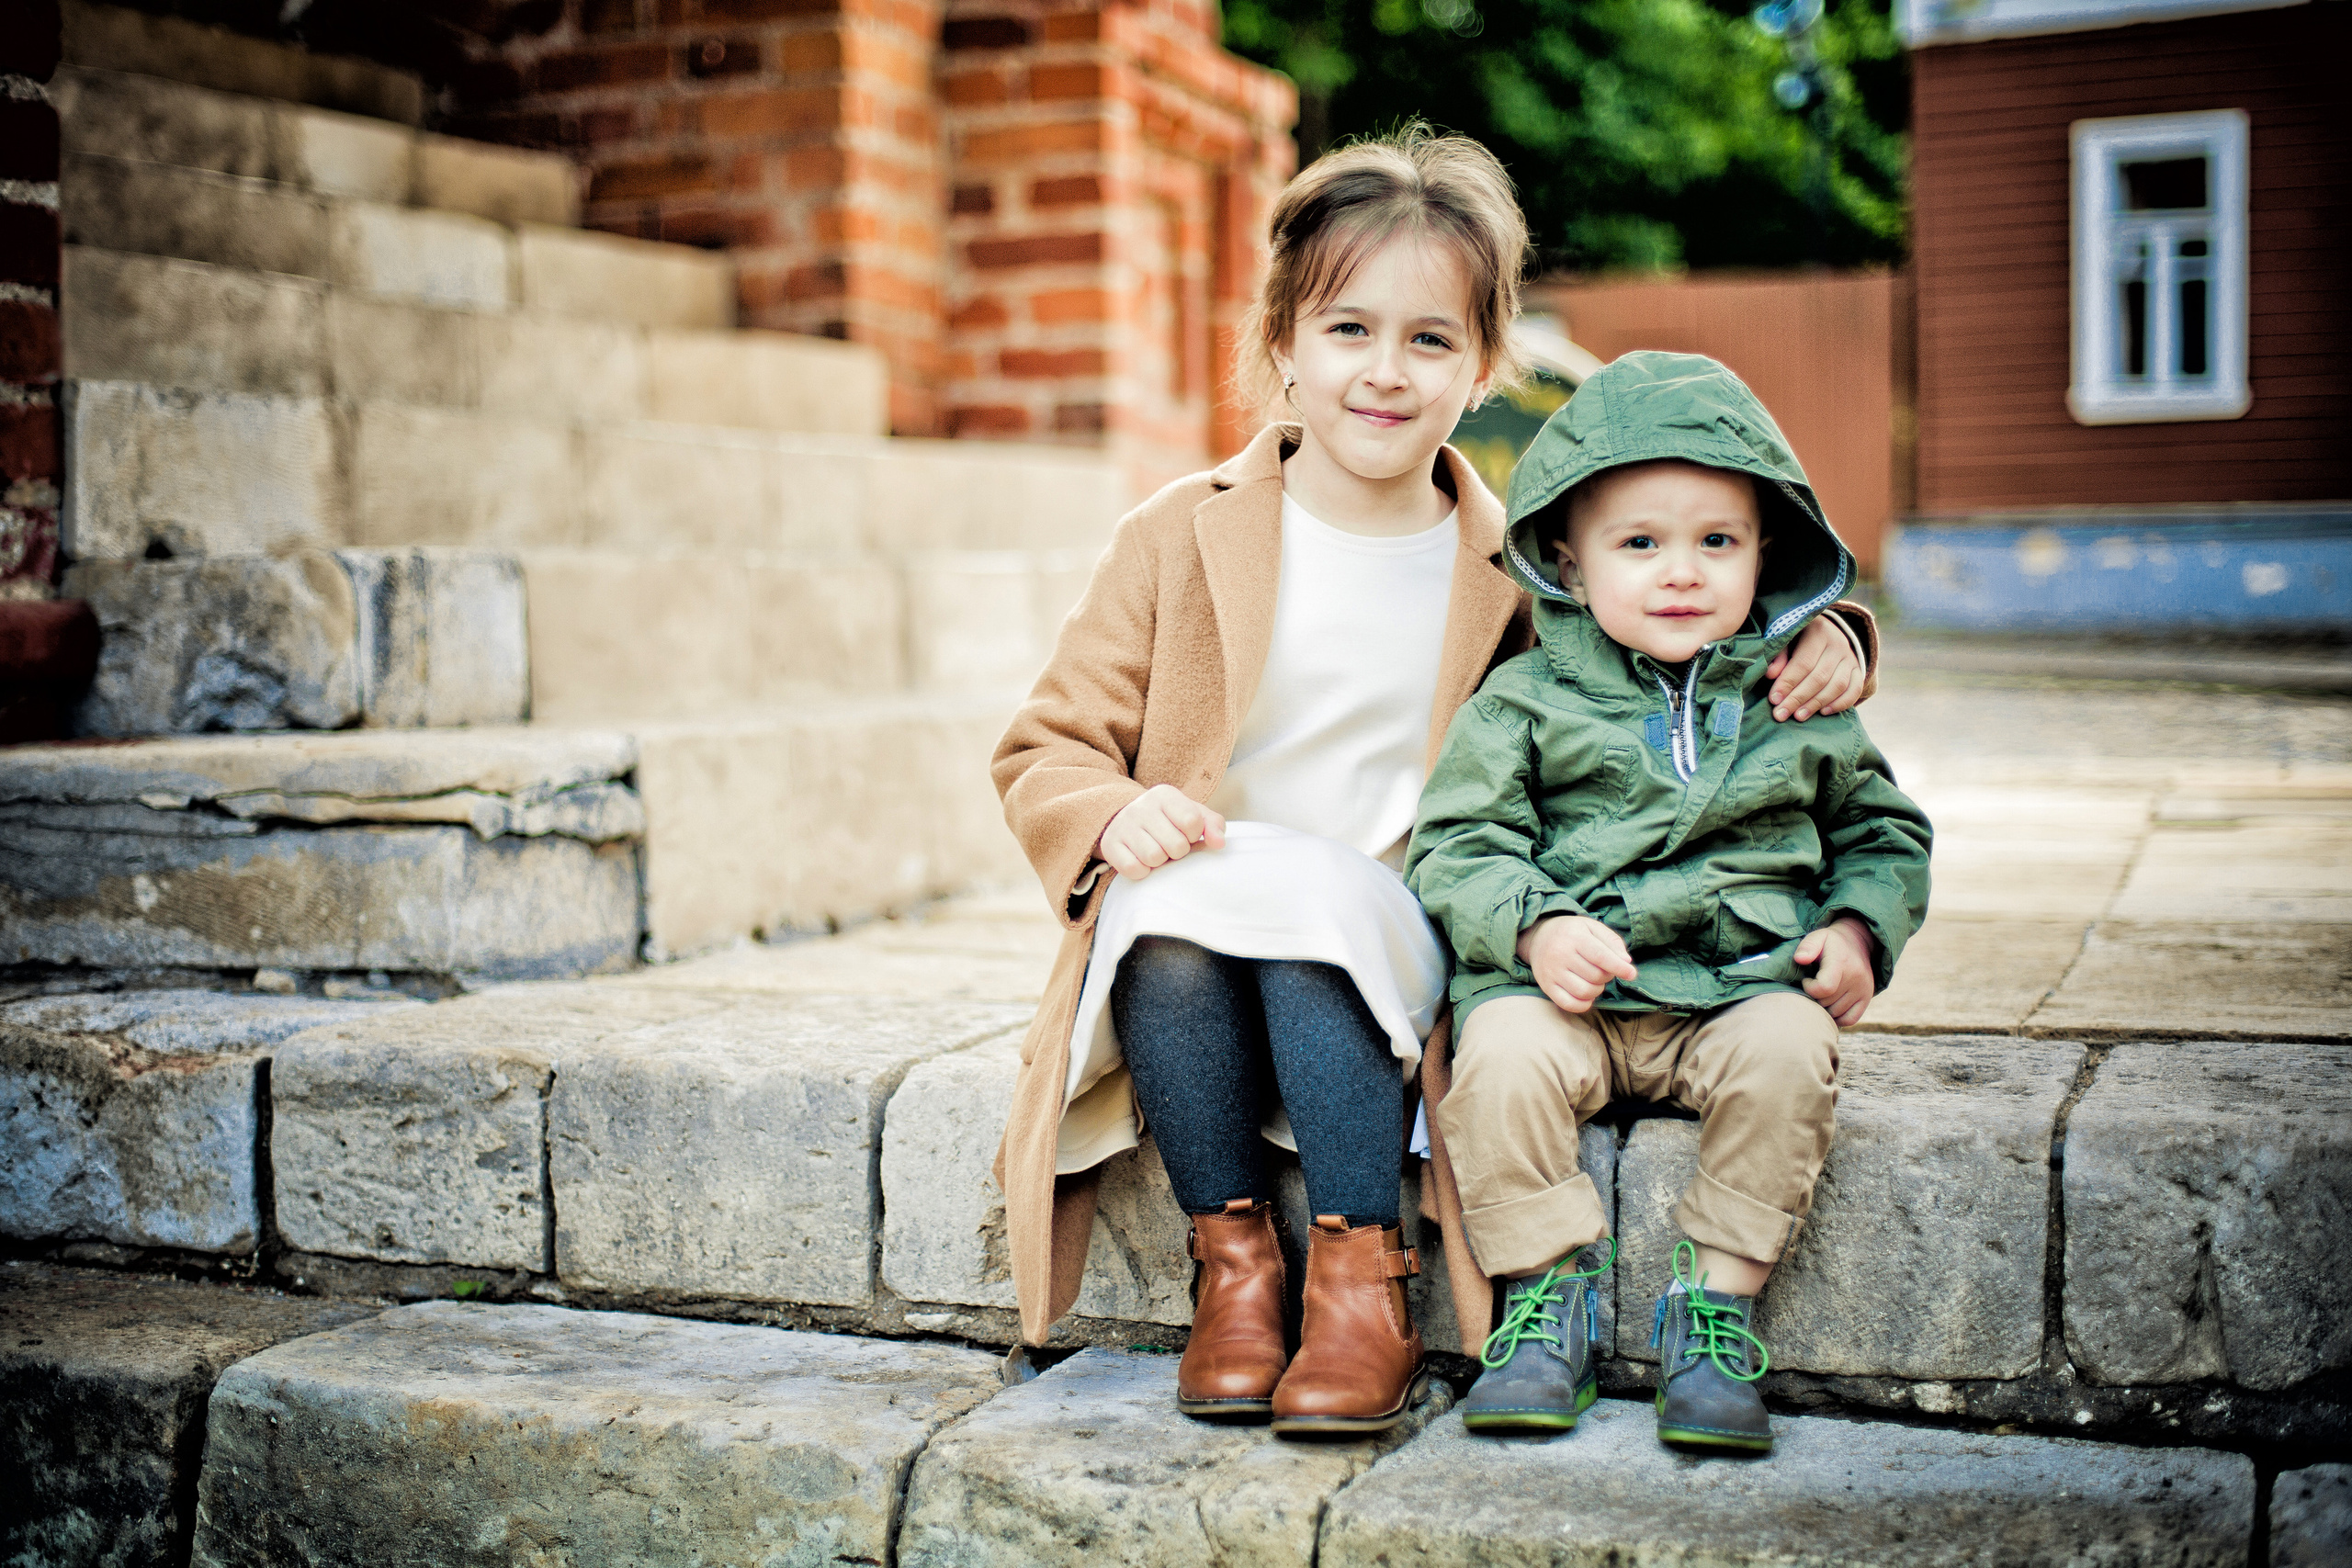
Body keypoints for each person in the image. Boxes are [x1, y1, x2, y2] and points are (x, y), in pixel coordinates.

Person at [989, 131, 1879, 1437]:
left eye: (1430, 340)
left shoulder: (1514, 574)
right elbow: (1044, 746)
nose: (1385, 372)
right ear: (1284, 339)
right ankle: (1235, 1270)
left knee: (1309, 928)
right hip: (1189, 901)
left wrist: (1837, 633)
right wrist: (1113, 809)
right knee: (1170, 935)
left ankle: (1364, 1283)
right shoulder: (1182, 530)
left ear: (1483, 366)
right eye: (1349, 327)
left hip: (1393, 921)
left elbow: (1687, 626)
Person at [1405, 349, 1933, 1453]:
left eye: (1716, 542)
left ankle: (1716, 1309)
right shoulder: (1524, 700)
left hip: (1740, 990)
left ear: (1764, 554)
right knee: (1493, 1063)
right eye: (1638, 544)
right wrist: (1535, 925)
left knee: (1792, 1056)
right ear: (1567, 554)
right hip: (1569, 1001)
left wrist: (1853, 931)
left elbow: (1882, 832)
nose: (1680, 572)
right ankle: (1544, 1301)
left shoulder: (1798, 696)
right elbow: (1458, 842)